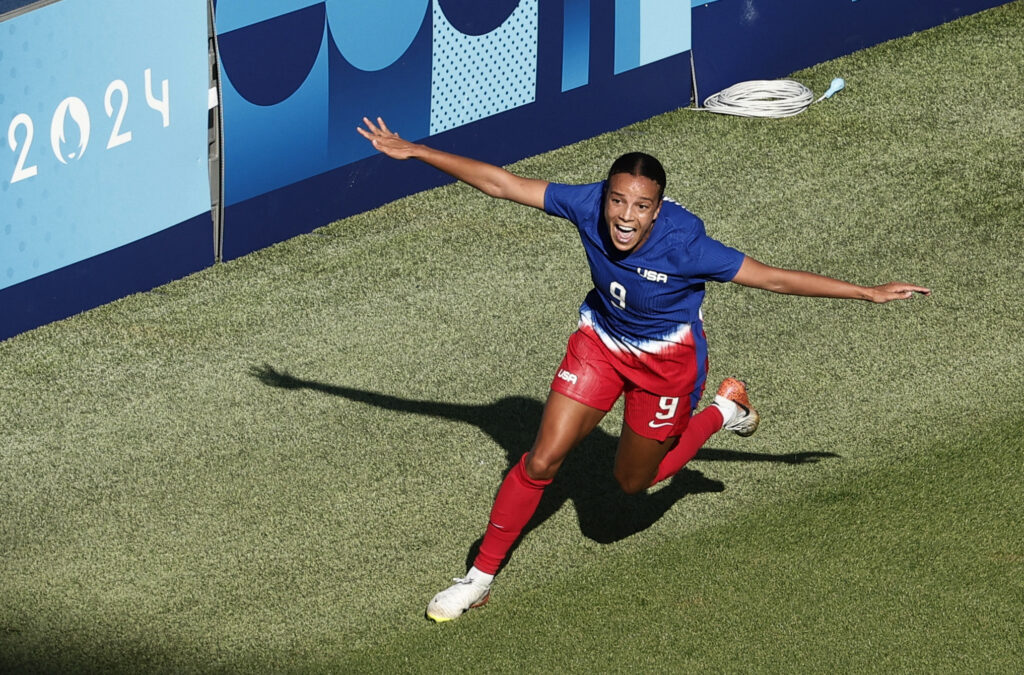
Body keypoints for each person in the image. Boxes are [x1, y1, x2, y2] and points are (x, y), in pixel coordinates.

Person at [356, 117, 930, 622]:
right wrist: (417, 151)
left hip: (667, 367)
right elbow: (502, 183)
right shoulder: (584, 204)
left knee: (630, 485)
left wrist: (865, 292)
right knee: (541, 459)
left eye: (641, 206)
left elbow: (775, 278)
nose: (625, 218)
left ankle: (723, 411)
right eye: (618, 201)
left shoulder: (688, 248)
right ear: (605, 195)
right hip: (600, 344)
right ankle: (477, 579)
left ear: (658, 209)